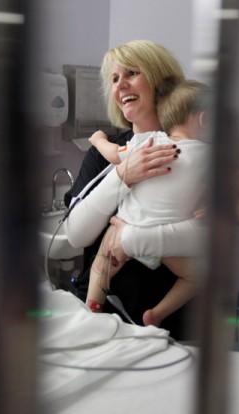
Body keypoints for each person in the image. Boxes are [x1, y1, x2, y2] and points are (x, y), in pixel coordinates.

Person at [63, 40, 202, 339]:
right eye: (114, 78)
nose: (121, 85)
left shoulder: (191, 153)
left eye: (132, 73)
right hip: (101, 314)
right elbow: (75, 234)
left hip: (166, 320)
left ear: (162, 83)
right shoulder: (103, 154)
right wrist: (123, 175)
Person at [84, 80, 210, 328]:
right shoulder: (208, 156)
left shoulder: (149, 142)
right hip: (162, 242)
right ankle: (157, 314)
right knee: (196, 276)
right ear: (205, 119)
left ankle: (91, 310)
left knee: (100, 266)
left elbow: (112, 155)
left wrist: (98, 139)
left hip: (123, 229)